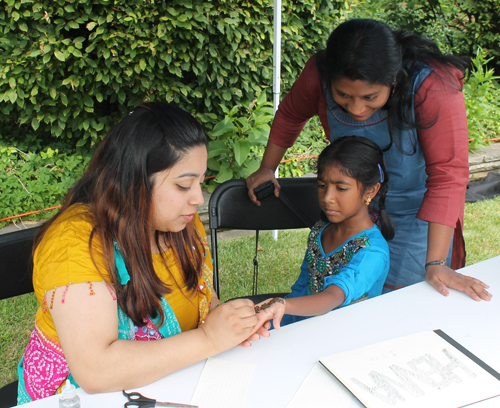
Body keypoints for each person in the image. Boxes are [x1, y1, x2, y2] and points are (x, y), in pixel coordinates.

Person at [17, 102, 269, 403]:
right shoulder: (74, 243)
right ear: (133, 181)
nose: (198, 198)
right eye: (183, 185)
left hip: (170, 385)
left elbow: (200, 299)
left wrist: (232, 322)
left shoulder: (180, 228)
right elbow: (95, 371)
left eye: (200, 183)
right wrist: (209, 339)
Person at [246, 19, 491, 301]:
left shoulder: (432, 86)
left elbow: (448, 175)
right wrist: (267, 167)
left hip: (419, 217)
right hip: (357, 213)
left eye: (370, 96)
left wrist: (435, 263)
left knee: (404, 303)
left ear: (394, 79)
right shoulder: (318, 74)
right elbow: (290, 114)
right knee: (347, 300)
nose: (357, 108)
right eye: (343, 96)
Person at [254, 136, 394, 327]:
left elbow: (331, 297)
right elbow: (302, 288)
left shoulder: (372, 252)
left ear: (371, 191)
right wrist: (275, 322)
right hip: (307, 330)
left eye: (341, 188)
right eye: (322, 186)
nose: (328, 197)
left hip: (346, 341)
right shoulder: (321, 229)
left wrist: (281, 304)